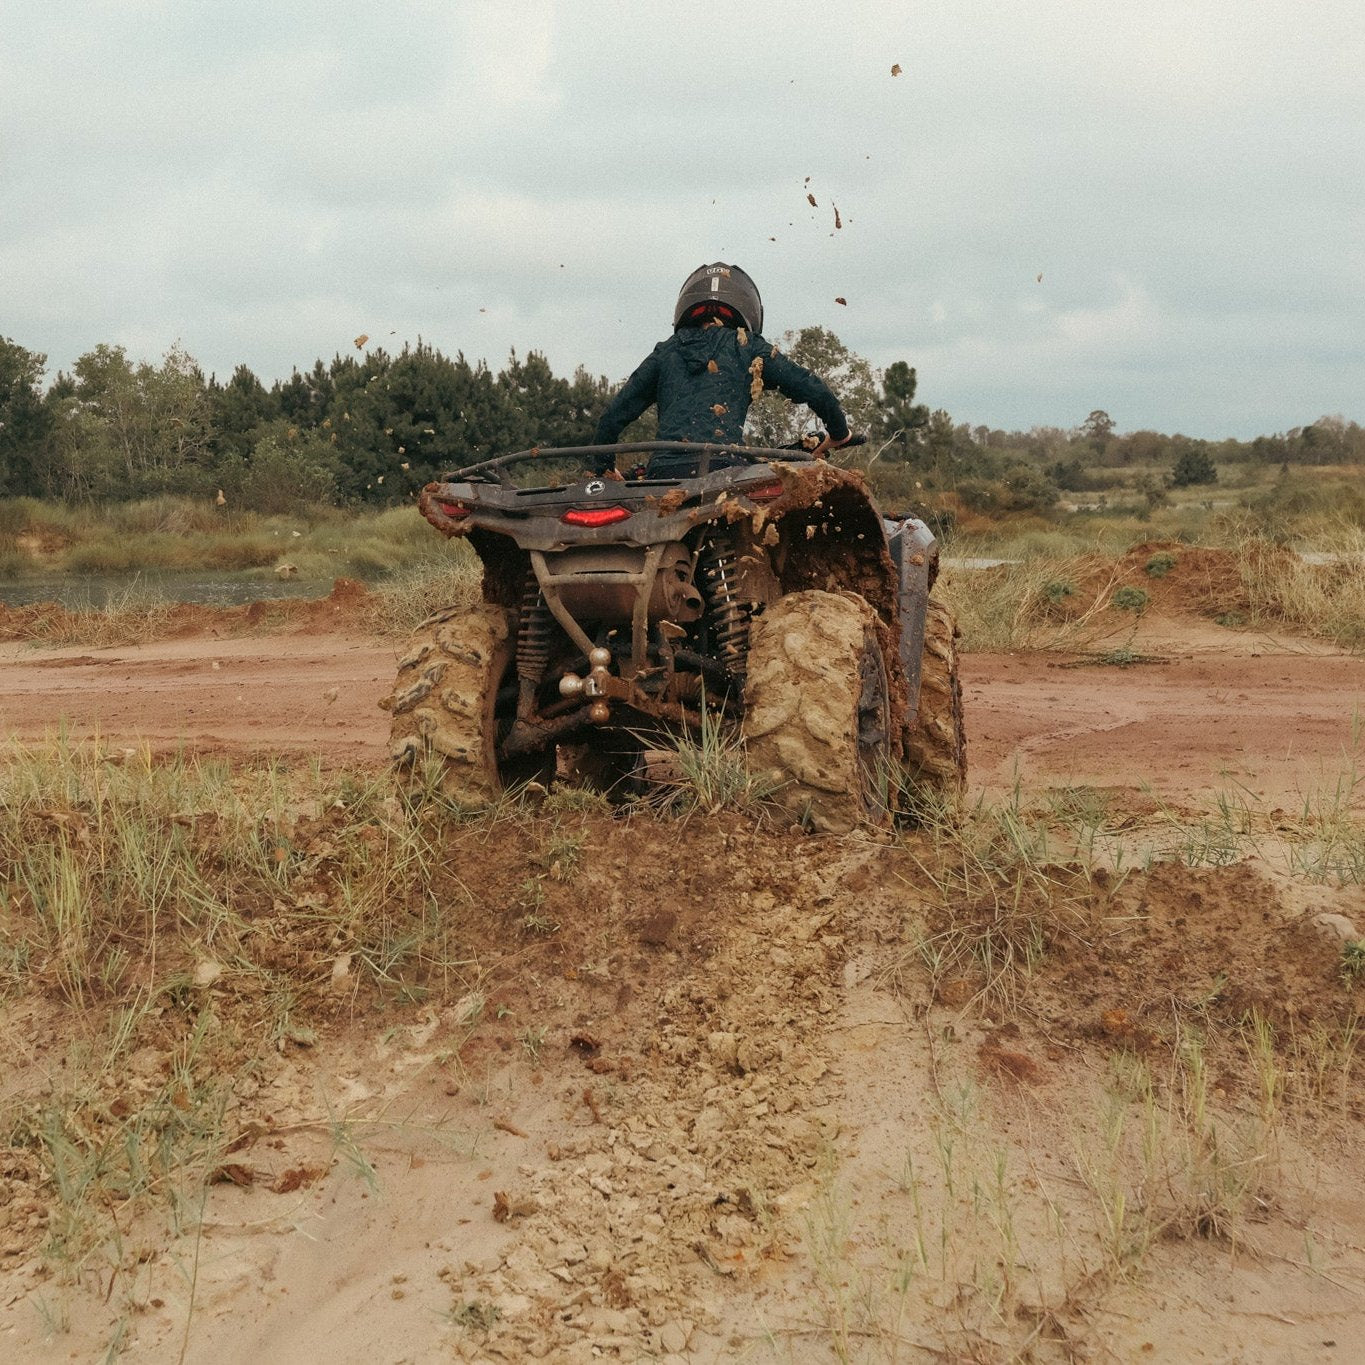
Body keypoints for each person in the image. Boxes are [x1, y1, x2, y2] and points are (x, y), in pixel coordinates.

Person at [593, 263, 852, 477]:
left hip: (663, 473)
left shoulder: (666, 352)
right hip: (723, 472)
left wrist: (605, 469)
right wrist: (839, 433)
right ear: (750, 310)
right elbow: (814, 390)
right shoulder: (749, 347)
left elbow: (611, 419)